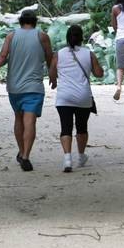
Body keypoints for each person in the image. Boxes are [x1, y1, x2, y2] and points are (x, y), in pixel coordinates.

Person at [0, 9, 56, 172]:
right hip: (34, 87)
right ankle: (25, 156)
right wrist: (53, 76)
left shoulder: (11, 36)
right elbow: (50, 58)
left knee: (18, 118)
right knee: (29, 121)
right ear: (35, 22)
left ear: (21, 21)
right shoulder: (42, 36)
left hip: (14, 86)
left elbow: (2, 56)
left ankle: (21, 151)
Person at [49, 25, 104, 172]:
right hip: (83, 97)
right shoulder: (89, 54)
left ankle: (67, 159)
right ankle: (80, 156)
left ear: (67, 38)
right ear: (81, 38)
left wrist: (54, 81)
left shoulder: (58, 54)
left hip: (64, 97)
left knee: (65, 127)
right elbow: (99, 74)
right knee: (81, 127)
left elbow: (52, 72)